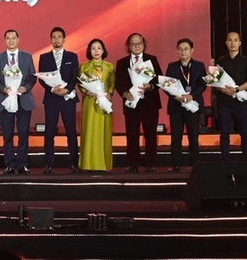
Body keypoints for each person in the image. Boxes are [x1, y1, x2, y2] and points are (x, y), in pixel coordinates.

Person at [114, 33, 160, 172]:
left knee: (150, 134)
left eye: (139, 43)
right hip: (132, 103)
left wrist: (150, 86)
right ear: (128, 46)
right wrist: (124, 93)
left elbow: (158, 79)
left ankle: (150, 164)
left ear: (144, 44)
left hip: (149, 104)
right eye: (133, 44)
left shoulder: (152, 59)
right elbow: (118, 83)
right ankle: (133, 164)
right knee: (132, 134)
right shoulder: (122, 62)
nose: (137, 46)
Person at [0, 29, 36, 174]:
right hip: (6, 99)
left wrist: (25, 87)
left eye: (13, 38)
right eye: (8, 38)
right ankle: (10, 164)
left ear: (18, 40)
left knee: (23, 133)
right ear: (5, 40)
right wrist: (4, 89)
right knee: (7, 134)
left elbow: (32, 77)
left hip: (23, 99)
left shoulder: (27, 57)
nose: (11, 41)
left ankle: (22, 164)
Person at [38, 26, 80, 174]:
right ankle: (49, 164)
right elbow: (41, 78)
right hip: (51, 98)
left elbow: (75, 77)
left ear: (64, 39)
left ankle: (74, 163)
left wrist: (67, 89)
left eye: (59, 37)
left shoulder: (72, 56)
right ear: (51, 39)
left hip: (67, 98)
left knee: (71, 131)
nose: (56, 40)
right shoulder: (44, 57)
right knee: (49, 131)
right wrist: (52, 89)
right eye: (54, 37)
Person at [164, 38, 207, 171]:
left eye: (186, 49)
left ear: (192, 50)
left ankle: (194, 164)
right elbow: (166, 85)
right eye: (180, 49)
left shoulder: (199, 65)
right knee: (176, 137)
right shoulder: (172, 66)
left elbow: (202, 85)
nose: (183, 52)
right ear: (177, 51)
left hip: (192, 105)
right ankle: (175, 164)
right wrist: (176, 96)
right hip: (176, 106)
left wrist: (191, 96)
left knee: (193, 136)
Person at [215, 31, 247, 160]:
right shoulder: (220, 61)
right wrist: (223, 90)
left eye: (235, 40)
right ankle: (225, 160)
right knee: (224, 133)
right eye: (230, 40)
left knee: (244, 132)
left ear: (239, 43)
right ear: (226, 43)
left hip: (241, 103)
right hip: (225, 103)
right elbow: (215, 81)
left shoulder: (246, 61)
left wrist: (237, 89)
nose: (232, 43)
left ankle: (246, 159)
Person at [78, 39, 114, 171]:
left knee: (104, 132)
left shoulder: (110, 66)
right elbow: (80, 84)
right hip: (90, 102)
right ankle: (88, 164)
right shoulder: (84, 66)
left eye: (99, 48)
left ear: (103, 50)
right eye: (93, 48)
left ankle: (103, 164)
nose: (96, 51)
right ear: (89, 51)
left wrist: (109, 93)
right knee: (90, 131)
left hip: (104, 103)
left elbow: (112, 82)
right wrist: (86, 91)